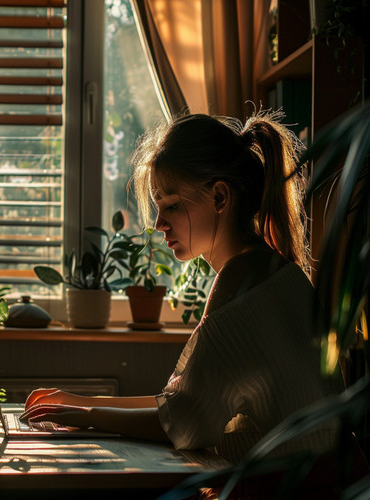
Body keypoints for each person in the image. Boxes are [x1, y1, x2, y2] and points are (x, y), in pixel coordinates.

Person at [21, 111, 341, 463]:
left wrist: (86, 417)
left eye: (172, 206)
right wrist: (81, 402)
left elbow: (183, 424)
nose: (159, 225)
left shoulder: (239, 286)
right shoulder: (275, 270)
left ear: (220, 197)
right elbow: (183, 402)